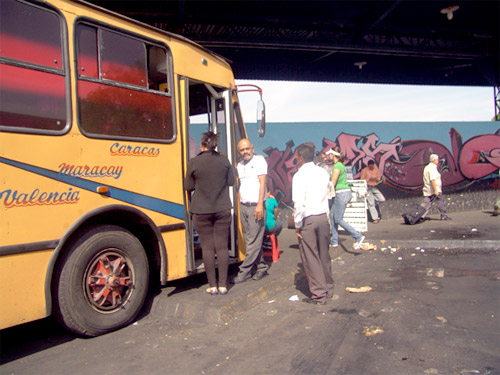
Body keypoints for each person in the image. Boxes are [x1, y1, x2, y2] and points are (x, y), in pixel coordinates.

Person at [184, 131, 236, 295]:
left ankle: (212, 286)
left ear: (202, 145)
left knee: (207, 247)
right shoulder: (224, 160)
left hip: (201, 210)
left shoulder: (194, 162)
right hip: (222, 209)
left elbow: (188, 186)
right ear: (215, 145)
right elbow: (231, 181)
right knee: (221, 247)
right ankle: (223, 285)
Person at [292, 143, 334, 305]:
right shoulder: (323, 173)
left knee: (311, 256)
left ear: (301, 158)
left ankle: (318, 293)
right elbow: (327, 195)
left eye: (296, 156)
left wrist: (297, 224)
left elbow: (299, 204)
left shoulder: (299, 176)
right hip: (323, 217)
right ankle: (329, 287)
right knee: (324, 254)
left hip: (308, 219)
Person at [232, 139, 269, 283]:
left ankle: (244, 272)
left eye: (247, 148)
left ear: (252, 148)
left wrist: (260, 204)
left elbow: (263, 183)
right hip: (244, 206)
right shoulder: (240, 165)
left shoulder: (259, 161)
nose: (245, 152)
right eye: (241, 150)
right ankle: (261, 267)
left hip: (256, 206)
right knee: (250, 239)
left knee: (253, 240)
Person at [327, 147, 365, 249]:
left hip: (341, 194)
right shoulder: (339, 165)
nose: (328, 156)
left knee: (338, 218)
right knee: (332, 215)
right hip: (342, 193)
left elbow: (333, 183)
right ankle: (334, 240)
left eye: (330, 154)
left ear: (334, 155)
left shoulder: (337, 166)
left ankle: (358, 236)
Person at [421, 154, 451, 220]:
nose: (438, 161)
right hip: (434, 189)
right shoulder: (432, 168)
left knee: (426, 204)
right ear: (434, 160)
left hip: (428, 189)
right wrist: (436, 190)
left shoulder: (427, 167)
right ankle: (443, 215)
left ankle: (419, 216)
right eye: (437, 159)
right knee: (440, 202)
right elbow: (433, 179)